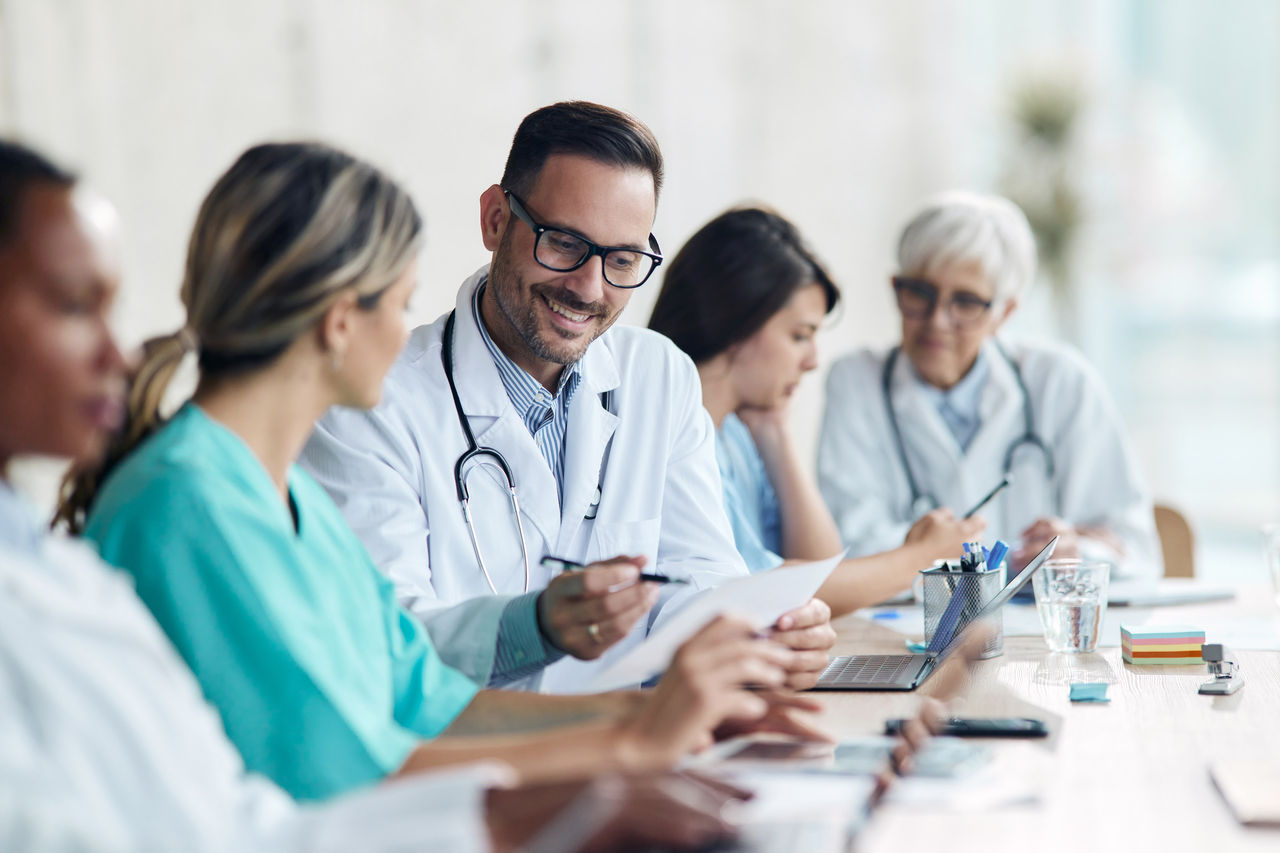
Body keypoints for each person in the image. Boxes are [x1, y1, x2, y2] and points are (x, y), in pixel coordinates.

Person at [0, 139, 754, 853]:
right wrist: (627, 747)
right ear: (338, 321)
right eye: (400, 302)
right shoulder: (188, 505)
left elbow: (428, 701)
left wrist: (652, 716)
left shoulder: (288, 497)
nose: (408, 335)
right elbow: (354, 775)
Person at [300, 101, 835, 693]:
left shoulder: (658, 375)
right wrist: (534, 628)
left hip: (635, 734)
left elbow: (699, 574)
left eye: (622, 260)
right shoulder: (368, 402)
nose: (589, 288)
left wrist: (759, 632)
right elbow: (383, 641)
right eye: (563, 244)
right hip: (474, 743)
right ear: (496, 220)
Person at [648, 207, 984, 614]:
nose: (811, 361)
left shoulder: (735, 436)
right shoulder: (666, 439)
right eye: (799, 336)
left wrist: (775, 434)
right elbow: (778, 593)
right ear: (734, 322)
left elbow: (817, 566)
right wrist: (921, 557)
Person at [817, 190, 1161, 577]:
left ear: (1004, 313)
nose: (937, 320)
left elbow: (1135, 553)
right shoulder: (856, 382)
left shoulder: (1061, 383)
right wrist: (1005, 558)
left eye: (965, 302)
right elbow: (847, 554)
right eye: (920, 293)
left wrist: (1077, 551)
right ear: (896, 288)